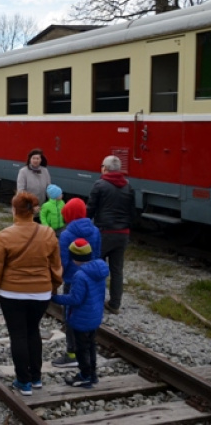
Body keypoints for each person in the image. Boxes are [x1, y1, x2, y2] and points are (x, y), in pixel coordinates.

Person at [0, 192, 62, 396]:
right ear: (34, 211)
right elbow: (56, 266)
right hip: (41, 294)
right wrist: (53, 286)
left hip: (12, 293)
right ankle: (36, 377)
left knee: (17, 334)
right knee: (33, 331)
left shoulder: (5, 235)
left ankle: (23, 381)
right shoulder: (48, 234)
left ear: (14, 210)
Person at [51, 197, 102, 368]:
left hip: (73, 281)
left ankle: (72, 353)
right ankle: (87, 352)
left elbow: (63, 262)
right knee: (88, 315)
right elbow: (98, 255)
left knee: (71, 317)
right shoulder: (95, 231)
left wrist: (55, 281)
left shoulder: (66, 235)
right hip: (92, 279)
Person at [52, 239, 109, 387]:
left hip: (81, 319)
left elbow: (76, 299)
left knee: (81, 348)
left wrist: (56, 299)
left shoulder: (80, 275)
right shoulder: (99, 271)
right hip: (94, 316)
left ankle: (84, 375)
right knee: (90, 346)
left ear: (75, 257)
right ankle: (92, 374)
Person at [86, 155, 136, 315]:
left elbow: (91, 208)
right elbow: (132, 211)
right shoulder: (128, 186)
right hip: (122, 234)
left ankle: (95, 300)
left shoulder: (100, 184)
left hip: (104, 232)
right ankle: (115, 304)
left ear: (105, 168)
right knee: (117, 270)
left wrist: (85, 226)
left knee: (97, 267)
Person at [16, 148, 51, 220]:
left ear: (41, 160)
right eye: (33, 158)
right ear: (30, 159)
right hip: (28, 208)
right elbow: (21, 191)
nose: (36, 160)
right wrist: (31, 206)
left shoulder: (44, 170)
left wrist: (52, 203)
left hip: (41, 208)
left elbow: (48, 187)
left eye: (38, 158)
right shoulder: (23, 171)